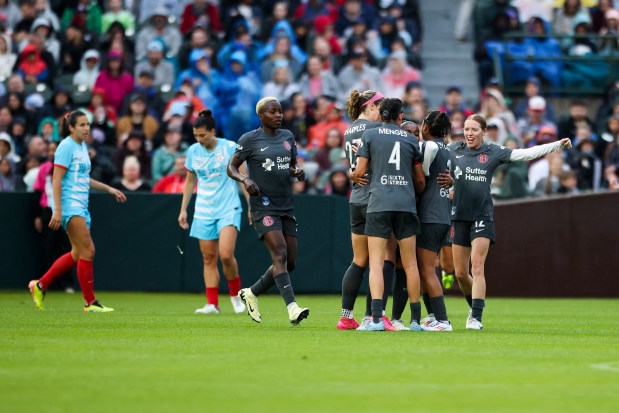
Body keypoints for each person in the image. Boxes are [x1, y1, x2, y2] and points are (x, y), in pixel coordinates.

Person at [450, 114, 572, 329]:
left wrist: (555, 145)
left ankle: (476, 318)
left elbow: (525, 154)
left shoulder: (493, 152)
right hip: (458, 216)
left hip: (482, 216)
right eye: (467, 129)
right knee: (460, 273)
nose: (469, 133)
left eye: (474, 130)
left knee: (477, 266)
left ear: (483, 132)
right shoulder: (453, 149)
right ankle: (474, 306)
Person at [28, 110, 127, 312]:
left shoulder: (81, 146)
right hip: (69, 205)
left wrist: (108, 188)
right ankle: (90, 303)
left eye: (87, 124)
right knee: (88, 251)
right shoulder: (66, 146)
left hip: (81, 204)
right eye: (81, 125)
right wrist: (57, 210)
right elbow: (56, 179)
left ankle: (39, 285)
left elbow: (82, 178)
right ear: (71, 127)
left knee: (76, 253)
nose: (86, 128)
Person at [227, 97, 310, 325]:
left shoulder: (288, 137)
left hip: (286, 204)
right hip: (263, 206)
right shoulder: (249, 139)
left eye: (280, 111)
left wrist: (297, 172)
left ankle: (251, 292)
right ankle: (292, 308)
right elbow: (231, 167)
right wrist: (245, 179)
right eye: (273, 112)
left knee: (290, 261)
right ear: (261, 116)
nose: (278, 115)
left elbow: (290, 165)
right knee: (280, 253)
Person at [351, 97, 425, 331]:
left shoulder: (370, 135)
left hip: (379, 202)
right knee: (411, 264)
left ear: (381, 115)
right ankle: (414, 321)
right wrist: (411, 192)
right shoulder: (410, 139)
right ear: (400, 116)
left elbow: (361, 171)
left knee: (376, 262)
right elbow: (420, 179)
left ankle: (374, 319)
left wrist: (353, 175)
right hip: (405, 203)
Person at [178, 110, 246, 315]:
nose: (199, 140)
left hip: (228, 207)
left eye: (203, 135)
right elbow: (190, 181)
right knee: (208, 258)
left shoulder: (229, 147)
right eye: (196, 136)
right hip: (203, 210)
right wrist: (183, 209)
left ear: (212, 131)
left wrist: (252, 207)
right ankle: (212, 304)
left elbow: (243, 177)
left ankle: (235, 296)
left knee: (226, 255)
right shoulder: (193, 151)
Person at [337, 89, 388, 330]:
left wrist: (352, 173)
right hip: (374, 199)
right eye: (379, 108)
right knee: (382, 260)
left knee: (359, 260)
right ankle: (373, 315)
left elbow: (354, 167)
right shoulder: (374, 130)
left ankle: (346, 316)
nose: (382, 113)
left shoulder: (348, 131)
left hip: (355, 199)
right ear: (369, 107)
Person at [416, 110, 454, 331]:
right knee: (424, 269)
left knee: (428, 270)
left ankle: (442, 320)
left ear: (426, 127)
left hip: (430, 215)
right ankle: (432, 315)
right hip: (442, 214)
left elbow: (423, 174)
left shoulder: (430, 147)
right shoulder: (449, 150)